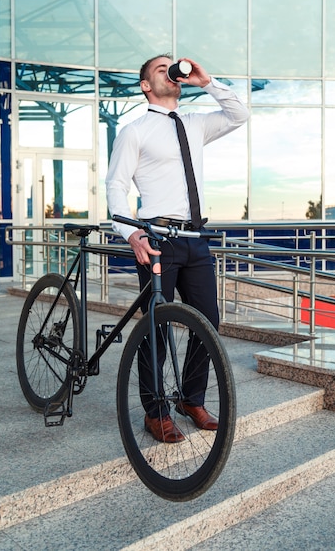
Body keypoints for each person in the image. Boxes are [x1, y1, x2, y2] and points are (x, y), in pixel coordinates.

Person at [106, 55, 249, 443]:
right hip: (157, 239)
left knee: (208, 324)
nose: (171, 72)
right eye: (160, 69)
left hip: (195, 240)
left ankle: (191, 398)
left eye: (174, 67)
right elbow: (116, 187)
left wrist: (206, 81)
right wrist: (130, 234)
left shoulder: (196, 123)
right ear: (146, 86)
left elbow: (239, 113)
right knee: (156, 329)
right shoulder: (134, 131)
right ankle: (155, 413)